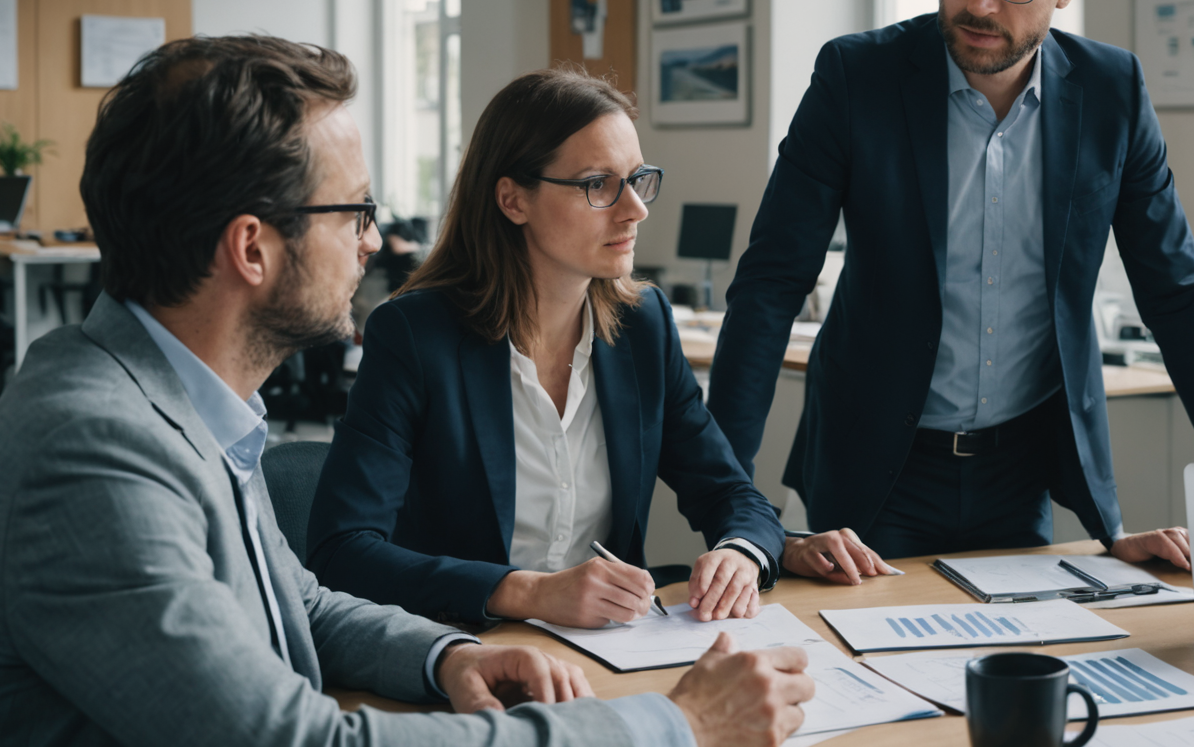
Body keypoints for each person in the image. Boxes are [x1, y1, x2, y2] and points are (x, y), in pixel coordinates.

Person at [0, 36, 815, 747]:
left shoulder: (172, 404)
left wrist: (446, 654)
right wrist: (678, 731)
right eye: (354, 211)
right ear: (253, 249)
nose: (375, 240)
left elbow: (293, 597)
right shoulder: (91, 454)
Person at [708, 0, 1194, 570]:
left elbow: (1177, 296)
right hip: (874, 464)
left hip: (1023, 467)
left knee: (1016, 672)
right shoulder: (858, 78)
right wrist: (731, 505)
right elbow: (770, 287)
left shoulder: (1112, 94)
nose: (978, 2)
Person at [308, 69, 872, 629]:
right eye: (598, 185)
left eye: (637, 179)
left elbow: (728, 491)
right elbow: (342, 551)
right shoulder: (413, 335)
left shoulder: (642, 326)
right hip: (464, 653)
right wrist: (526, 592)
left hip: (611, 652)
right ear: (512, 200)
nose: (636, 209)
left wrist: (743, 553)